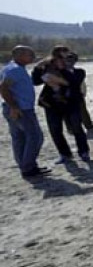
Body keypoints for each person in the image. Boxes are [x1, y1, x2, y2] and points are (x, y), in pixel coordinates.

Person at [32, 46, 91, 164]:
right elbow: (36, 81)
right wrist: (38, 67)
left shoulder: (79, 72)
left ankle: (83, 152)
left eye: (68, 58)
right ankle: (64, 153)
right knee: (55, 130)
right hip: (51, 104)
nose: (65, 61)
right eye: (60, 58)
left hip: (71, 104)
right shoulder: (48, 70)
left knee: (77, 128)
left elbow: (73, 83)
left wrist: (61, 69)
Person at [1, 46, 48, 177]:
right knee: (35, 137)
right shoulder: (15, 70)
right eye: (29, 54)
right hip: (21, 109)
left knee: (20, 138)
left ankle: (26, 166)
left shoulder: (13, 68)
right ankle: (28, 167)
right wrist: (14, 107)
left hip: (17, 107)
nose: (32, 56)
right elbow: (4, 88)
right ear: (19, 55)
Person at [66, 53, 93, 131]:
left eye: (72, 59)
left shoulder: (79, 72)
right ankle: (71, 128)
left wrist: (83, 92)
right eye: (68, 59)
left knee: (82, 111)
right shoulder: (60, 72)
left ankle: (88, 126)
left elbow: (81, 83)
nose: (70, 61)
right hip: (66, 96)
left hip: (78, 95)